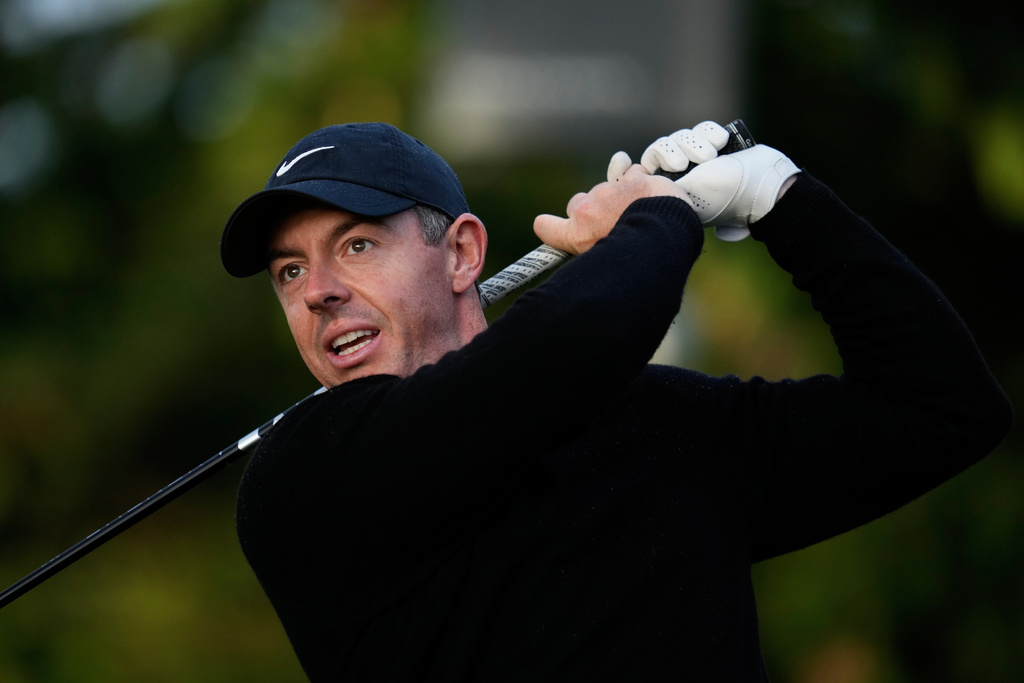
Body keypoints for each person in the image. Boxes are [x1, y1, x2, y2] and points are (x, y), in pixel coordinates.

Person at [219, 121, 1011, 681]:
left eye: (356, 245)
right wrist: (656, 218)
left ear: (461, 252)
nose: (318, 290)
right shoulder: (301, 480)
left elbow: (939, 406)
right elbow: (563, 350)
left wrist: (782, 197)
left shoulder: (663, 425)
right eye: (289, 271)